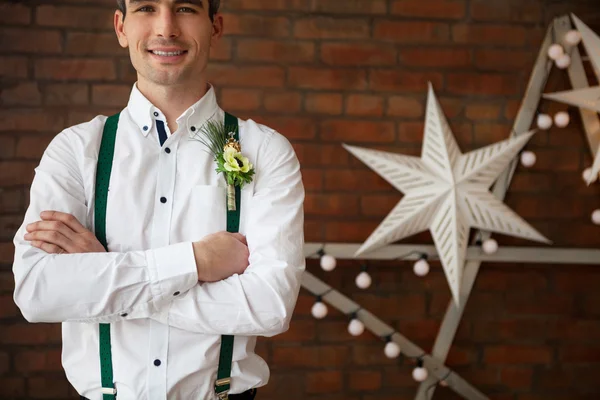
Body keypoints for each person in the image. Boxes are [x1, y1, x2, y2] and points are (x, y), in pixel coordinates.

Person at [11, 0, 305, 399]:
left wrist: (103, 274)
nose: (166, 28)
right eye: (147, 7)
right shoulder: (75, 150)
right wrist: (195, 262)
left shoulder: (266, 151)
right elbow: (37, 292)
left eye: (185, 8)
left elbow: (269, 306)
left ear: (214, 27)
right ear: (121, 28)